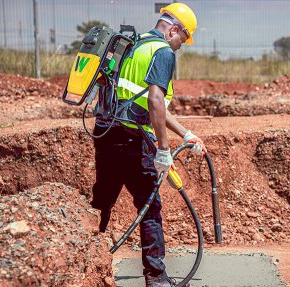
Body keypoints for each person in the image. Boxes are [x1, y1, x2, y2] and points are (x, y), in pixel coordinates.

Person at [89, 3, 205, 287]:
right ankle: (156, 278)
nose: (179, 46)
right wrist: (163, 151)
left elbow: (145, 102)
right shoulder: (162, 52)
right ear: (174, 30)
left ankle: (84, 262)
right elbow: (154, 101)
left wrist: (186, 133)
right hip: (133, 140)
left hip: (105, 134)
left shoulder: (135, 43)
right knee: (150, 208)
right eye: (182, 39)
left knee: (102, 202)